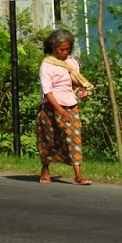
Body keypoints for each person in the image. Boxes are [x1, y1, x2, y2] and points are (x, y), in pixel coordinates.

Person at [38, 28, 93, 185]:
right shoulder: (47, 65)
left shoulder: (71, 63)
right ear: (53, 48)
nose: (65, 52)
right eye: (62, 49)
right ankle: (45, 171)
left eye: (68, 49)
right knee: (50, 139)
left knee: (74, 138)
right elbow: (47, 91)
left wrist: (81, 90)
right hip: (51, 107)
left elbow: (73, 83)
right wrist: (59, 110)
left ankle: (78, 175)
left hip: (70, 105)